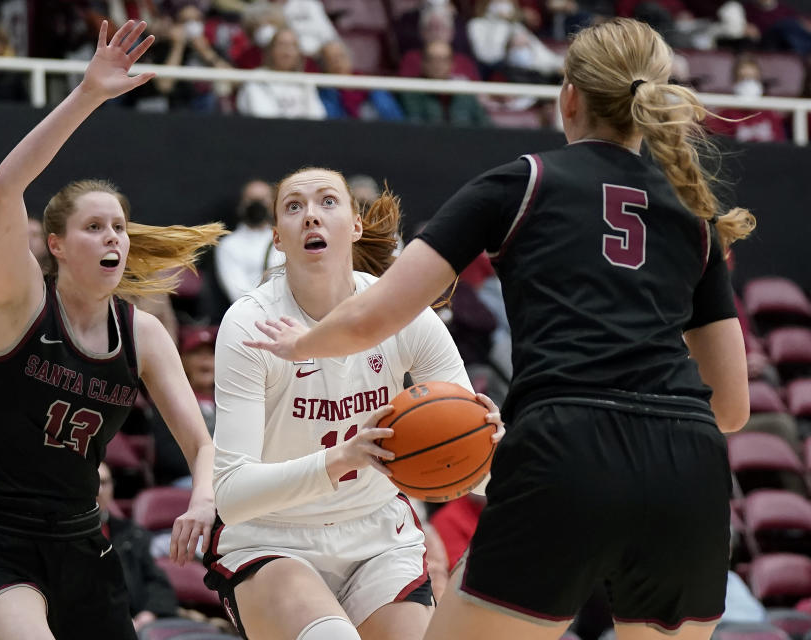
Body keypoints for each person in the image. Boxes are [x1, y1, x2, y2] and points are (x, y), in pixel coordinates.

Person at [245, 17, 755, 640]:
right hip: (690, 463)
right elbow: (730, 408)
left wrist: (299, 343)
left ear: (569, 96)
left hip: (570, 445)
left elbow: (373, 316)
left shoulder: (526, 182)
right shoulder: (695, 217)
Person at [0, 20, 224, 640]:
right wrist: (88, 94)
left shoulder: (143, 333)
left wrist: (204, 498)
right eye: (95, 227)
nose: (113, 237)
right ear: (58, 245)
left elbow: (203, 446)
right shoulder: (20, 305)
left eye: (118, 227)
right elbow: (5, 186)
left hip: (81, 543)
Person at [203, 166, 504, 640]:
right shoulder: (250, 324)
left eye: (327, 201)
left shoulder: (409, 317)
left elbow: (475, 475)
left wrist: (486, 445)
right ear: (278, 238)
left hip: (378, 538)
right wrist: (342, 457)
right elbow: (234, 495)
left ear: (356, 225)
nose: (310, 217)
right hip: (272, 537)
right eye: (293, 207)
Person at [96, 462, 179, 631]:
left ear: (112, 487)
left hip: (135, 622)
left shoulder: (132, 533)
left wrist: (149, 614)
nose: (98, 490)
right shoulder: (62, 535)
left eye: (104, 483)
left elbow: (157, 581)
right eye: (93, 481)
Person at [214, 179, 282, 304]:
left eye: (262, 201)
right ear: (241, 205)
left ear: (272, 205)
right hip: (248, 314)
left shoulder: (284, 239)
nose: (257, 206)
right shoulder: (229, 245)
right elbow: (237, 293)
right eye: (251, 200)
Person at [236, 27, 326, 120]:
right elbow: (263, 117)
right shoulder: (256, 79)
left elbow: (317, 116)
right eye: (282, 44)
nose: (287, 51)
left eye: (293, 45)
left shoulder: (305, 81)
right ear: (271, 50)